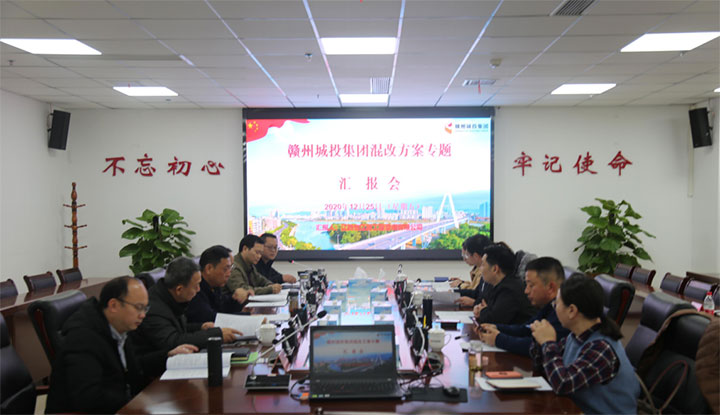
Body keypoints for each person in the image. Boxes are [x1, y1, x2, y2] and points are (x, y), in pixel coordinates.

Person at [46, 277, 197, 414]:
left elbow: (134, 367)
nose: (143, 315)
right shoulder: (84, 339)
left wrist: (168, 355)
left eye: (145, 308)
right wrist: (138, 403)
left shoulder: (118, 327)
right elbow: (89, 398)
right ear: (113, 305)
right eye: (138, 307)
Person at [530, 274, 640, 414]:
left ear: (572, 311)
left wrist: (547, 342)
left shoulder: (602, 348)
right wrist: (539, 340)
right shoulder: (575, 336)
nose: (554, 308)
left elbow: (562, 384)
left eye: (556, 304)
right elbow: (545, 368)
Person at [134, 257, 241, 355]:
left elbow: (176, 328)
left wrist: (201, 327)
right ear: (179, 289)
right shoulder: (154, 309)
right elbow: (173, 341)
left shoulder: (171, 295)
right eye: (196, 286)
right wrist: (216, 335)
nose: (198, 290)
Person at [478, 256, 569, 356]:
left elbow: (536, 347)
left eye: (531, 285)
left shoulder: (563, 313)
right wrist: (496, 327)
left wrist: (498, 339)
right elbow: (526, 329)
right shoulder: (548, 307)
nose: (526, 291)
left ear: (551, 288)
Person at [185, 245, 251, 324]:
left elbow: (223, 307)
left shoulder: (215, 285)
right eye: (226, 269)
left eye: (230, 268)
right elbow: (211, 317)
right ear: (209, 268)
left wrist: (241, 301)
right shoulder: (196, 289)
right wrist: (248, 316)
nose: (229, 273)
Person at [472, 243, 535, 324]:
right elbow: (486, 307)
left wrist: (482, 311)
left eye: (483, 265)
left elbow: (493, 319)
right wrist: (481, 309)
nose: (480, 269)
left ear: (495, 269)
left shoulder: (509, 289)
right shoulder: (498, 285)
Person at [450, 234, 492, 307]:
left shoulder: (490, 274)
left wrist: (474, 303)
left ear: (475, 256)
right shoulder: (483, 271)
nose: (465, 259)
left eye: (467, 255)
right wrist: (453, 292)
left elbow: (490, 305)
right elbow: (476, 292)